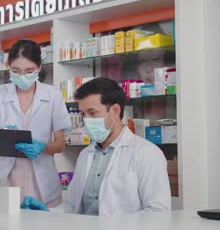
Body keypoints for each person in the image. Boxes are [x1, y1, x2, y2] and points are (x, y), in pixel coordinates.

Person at [22, 77, 171, 215]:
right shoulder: (86, 154)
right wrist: (46, 213)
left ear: (115, 111)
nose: (86, 120)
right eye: (83, 114)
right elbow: (72, 207)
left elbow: (158, 212)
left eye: (92, 113)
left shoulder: (146, 153)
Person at [0, 39, 71, 207]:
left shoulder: (53, 95)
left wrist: (42, 147)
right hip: (6, 181)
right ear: (8, 67)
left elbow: (60, 145)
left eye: (29, 71)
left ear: (39, 67)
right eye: (16, 71)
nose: (22, 76)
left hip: (41, 183)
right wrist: (4, 136)